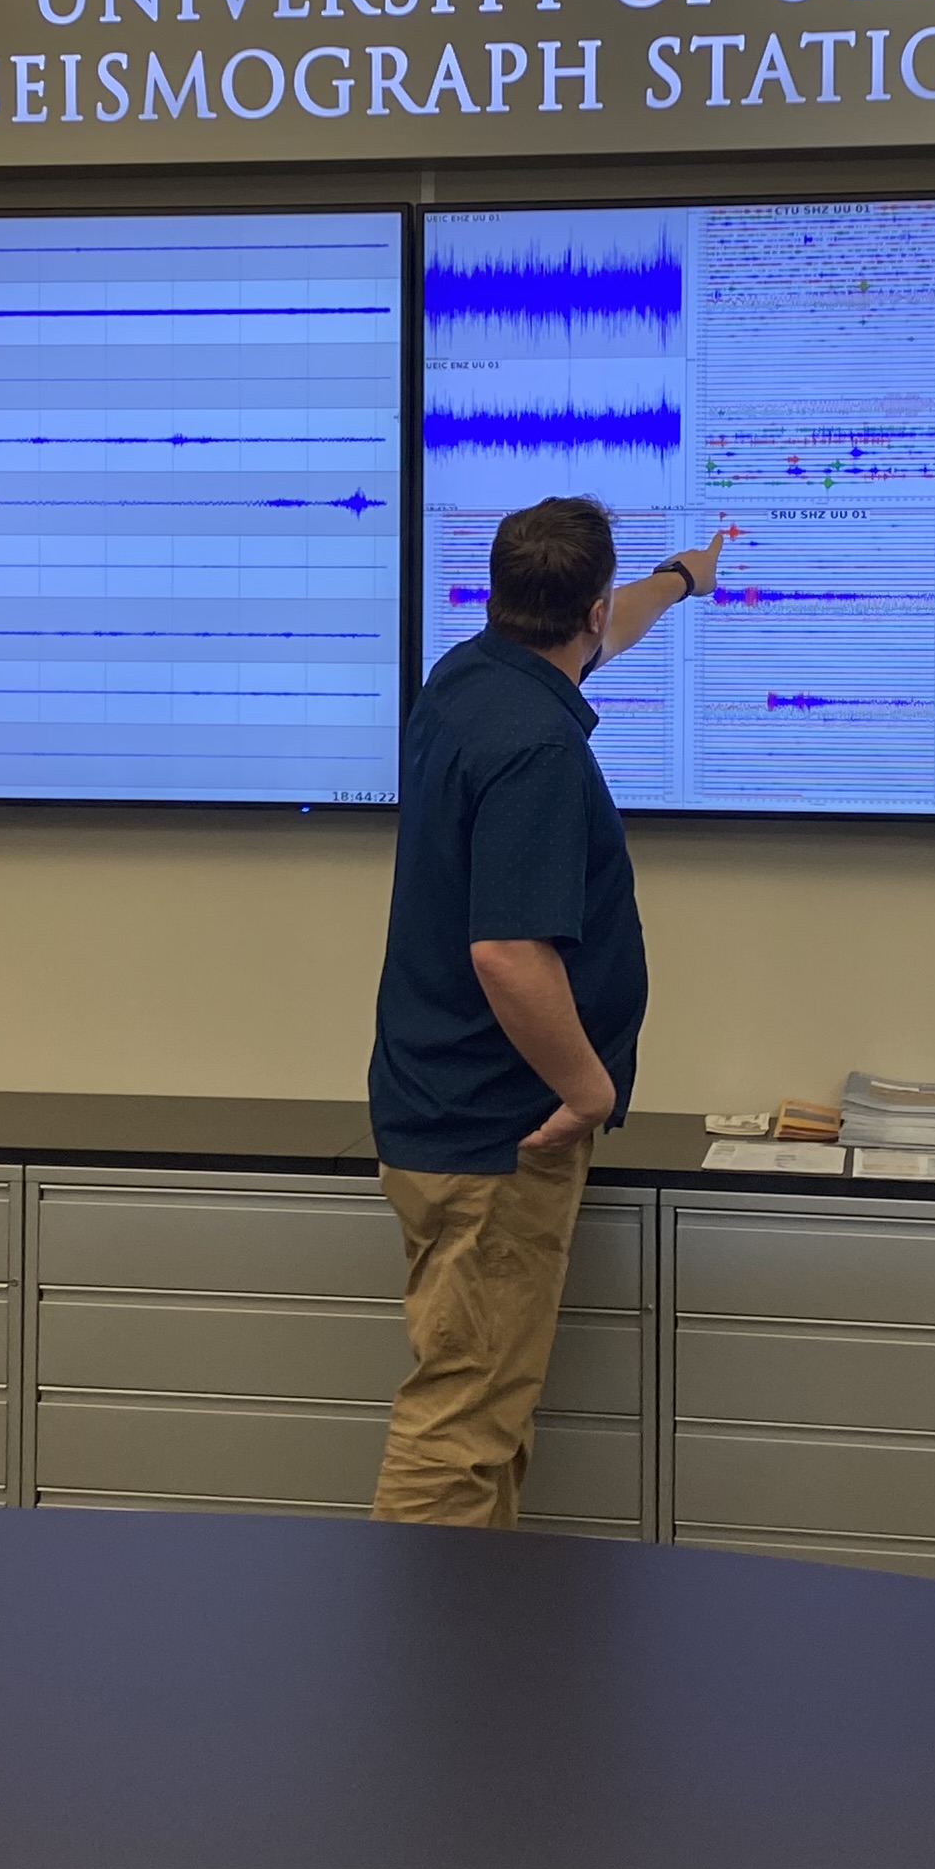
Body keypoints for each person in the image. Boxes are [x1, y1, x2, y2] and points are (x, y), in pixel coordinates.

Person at [367, 496, 727, 1526]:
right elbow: (510, 955)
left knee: (488, 1417)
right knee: (462, 1429)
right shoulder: (537, 751)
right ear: (589, 607)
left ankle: (465, 1659)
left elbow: (607, 632)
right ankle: (418, 1677)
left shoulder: (468, 679)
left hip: (437, 1104)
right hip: (496, 1137)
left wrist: (685, 577)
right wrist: (588, 1088)